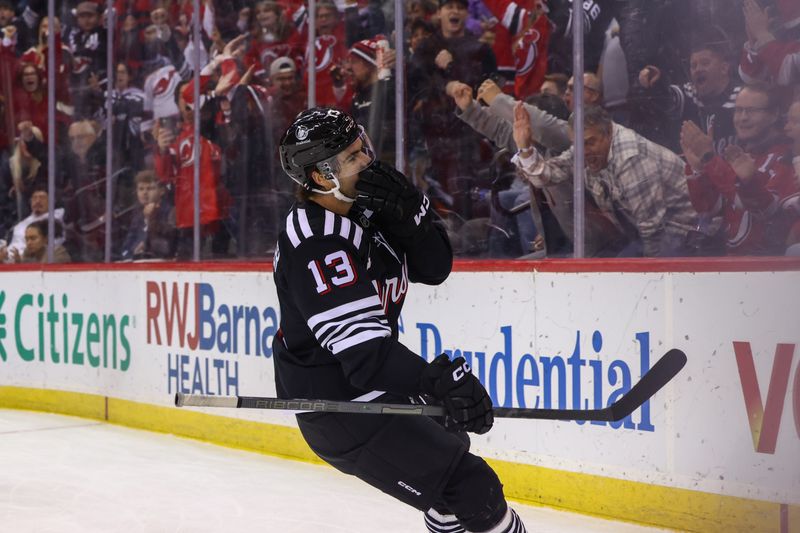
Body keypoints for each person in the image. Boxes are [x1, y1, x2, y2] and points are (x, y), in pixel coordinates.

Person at [274, 107, 526, 533]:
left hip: (370, 385)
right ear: (321, 177)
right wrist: (438, 379)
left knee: (451, 475)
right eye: (353, 157)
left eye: (364, 149)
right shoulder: (317, 243)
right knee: (472, 488)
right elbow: (364, 355)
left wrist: (413, 214)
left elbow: (434, 268)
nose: (368, 161)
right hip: (341, 405)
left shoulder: (366, 207)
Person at [513, 103, 698, 257]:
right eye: (577, 144)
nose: (583, 151)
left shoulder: (631, 158)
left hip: (685, 233)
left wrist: (647, 279)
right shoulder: (585, 146)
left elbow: (653, 231)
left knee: (612, 274)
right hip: (641, 235)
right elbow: (548, 175)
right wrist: (525, 148)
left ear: (609, 132)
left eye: (590, 142)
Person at [680, 84, 800, 255]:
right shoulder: (739, 154)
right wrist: (699, 169)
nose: (742, 118)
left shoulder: (786, 159)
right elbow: (709, 208)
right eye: (738, 110)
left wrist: (710, 160)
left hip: (768, 271)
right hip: (732, 267)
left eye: (751, 111)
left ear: (773, 115)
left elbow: (766, 212)